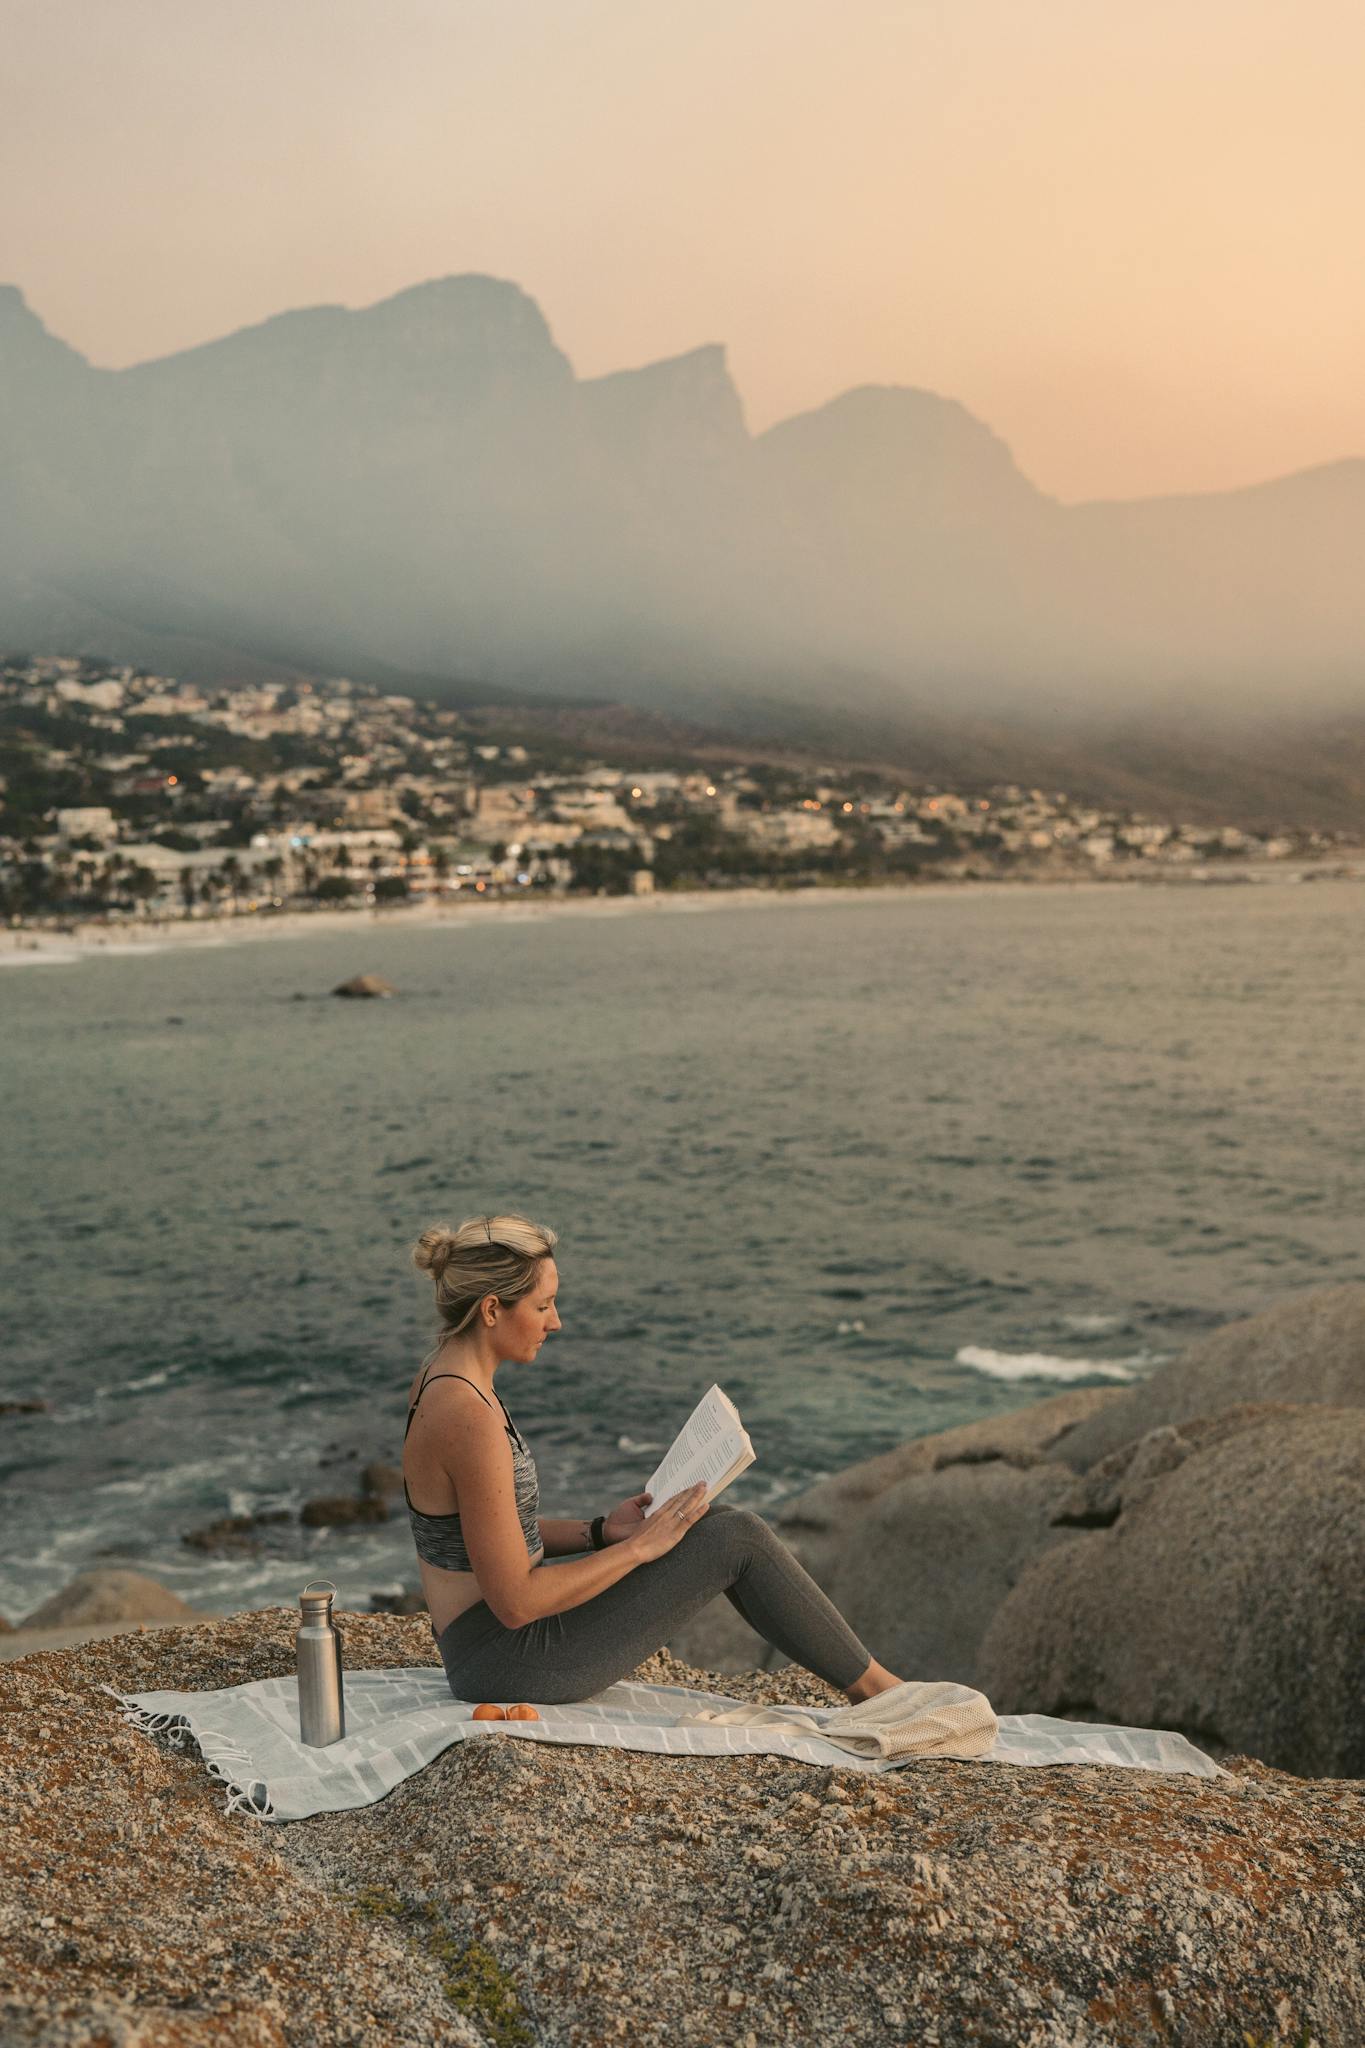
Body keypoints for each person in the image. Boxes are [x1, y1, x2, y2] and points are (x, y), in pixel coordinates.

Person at [404, 1211, 906, 1707]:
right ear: (492, 1309)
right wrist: (638, 1550)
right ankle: (885, 1696)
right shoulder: (468, 1415)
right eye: (543, 1306)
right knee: (736, 1537)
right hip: (508, 1661)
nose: (556, 1322)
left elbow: (488, 1534)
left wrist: (602, 1532)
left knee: (720, 1523)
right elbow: (516, 1603)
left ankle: (879, 1689)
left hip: (488, 1648)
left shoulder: (443, 1378)